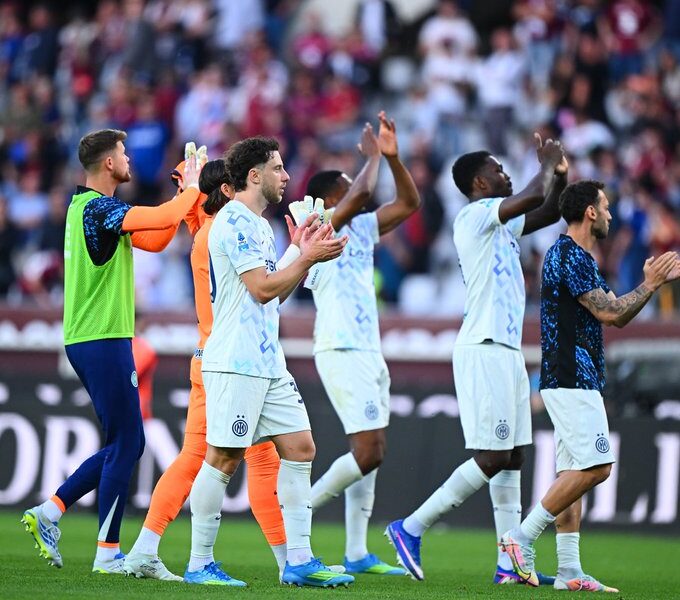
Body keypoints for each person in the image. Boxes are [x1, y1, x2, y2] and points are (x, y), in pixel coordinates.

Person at [124, 158, 321, 583]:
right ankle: (160, 551)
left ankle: (290, 561)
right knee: (212, 459)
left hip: (229, 358)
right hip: (227, 361)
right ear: (229, 191)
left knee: (248, 459)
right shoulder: (226, 231)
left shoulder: (209, 233)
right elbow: (261, 287)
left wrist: (189, 196)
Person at [386, 134, 566, 583]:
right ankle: (411, 527)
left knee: (514, 456)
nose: (506, 174)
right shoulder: (473, 216)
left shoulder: (501, 224)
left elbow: (548, 210)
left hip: (506, 348)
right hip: (483, 346)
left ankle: (509, 564)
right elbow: (535, 196)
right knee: (492, 455)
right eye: (498, 169)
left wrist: (559, 175)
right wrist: (545, 165)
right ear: (480, 183)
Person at [21, 128, 203, 573]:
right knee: (127, 442)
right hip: (101, 337)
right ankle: (106, 553)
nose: (128, 159)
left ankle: (51, 512)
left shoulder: (90, 209)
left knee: (126, 441)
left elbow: (158, 237)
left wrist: (183, 197)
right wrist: (193, 187)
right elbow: (164, 217)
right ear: (108, 163)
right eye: (123, 153)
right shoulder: (98, 209)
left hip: (96, 338)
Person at [185, 136, 354, 588]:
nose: (286, 176)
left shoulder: (259, 224)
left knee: (300, 447)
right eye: (278, 168)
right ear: (254, 175)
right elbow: (262, 289)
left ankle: (299, 560)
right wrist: (308, 257)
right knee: (223, 458)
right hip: (235, 360)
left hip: (266, 361)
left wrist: (298, 250)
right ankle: (199, 563)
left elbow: (270, 288)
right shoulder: (235, 221)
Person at [500, 180, 680, 591]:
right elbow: (611, 314)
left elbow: (617, 313)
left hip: (573, 377)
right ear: (591, 212)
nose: (611, 214)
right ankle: (520, 538)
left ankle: (569, 571)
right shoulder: (569, 255)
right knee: (598, 466)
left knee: (573, 472)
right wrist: (650, 284)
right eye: (606, 206)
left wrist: (649, 286)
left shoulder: (578, 257)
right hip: (571, 376)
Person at [307, 112, 420, 575]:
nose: (356, 185)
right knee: (370, 450)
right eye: (347, 182)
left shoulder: (360, 228)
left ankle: (355, 553)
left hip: (368, 349)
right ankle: (297, 514)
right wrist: (372, 159)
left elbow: (409, 202)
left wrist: (391, 158)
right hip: (341, 346)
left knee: (368, 454)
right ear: (331, 197)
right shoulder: (319, 226)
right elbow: (360, 194)